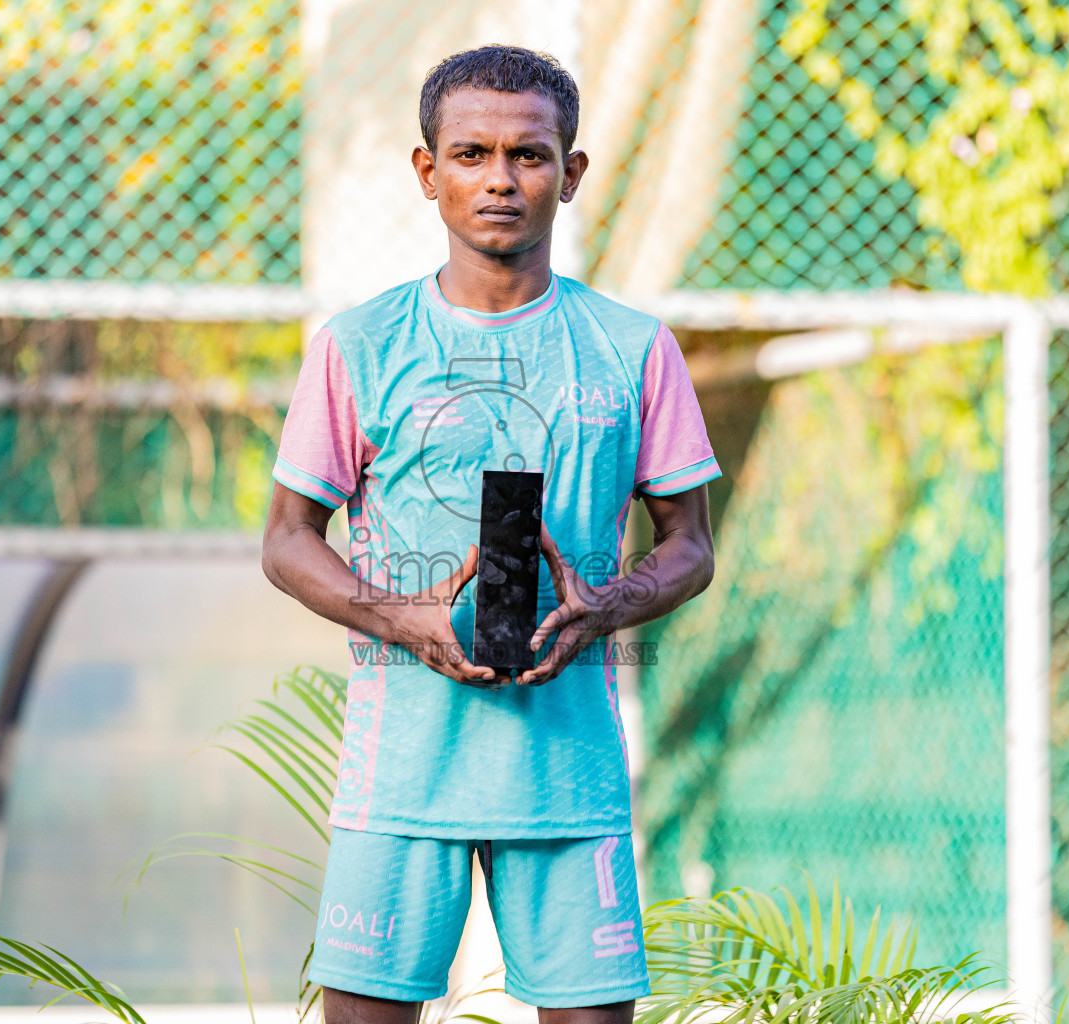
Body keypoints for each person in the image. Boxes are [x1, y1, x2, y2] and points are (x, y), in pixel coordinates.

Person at [261, 44, 720, 1024]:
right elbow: (288, 540)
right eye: (470, 154)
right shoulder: (359, 345)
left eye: (529, 155)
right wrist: (402, 616)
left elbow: (690, 542)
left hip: (568, 775)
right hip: (402, 772)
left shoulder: (635, 350)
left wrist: (608, 605)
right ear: (428, 173)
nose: (501, 180)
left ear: (572, 172)